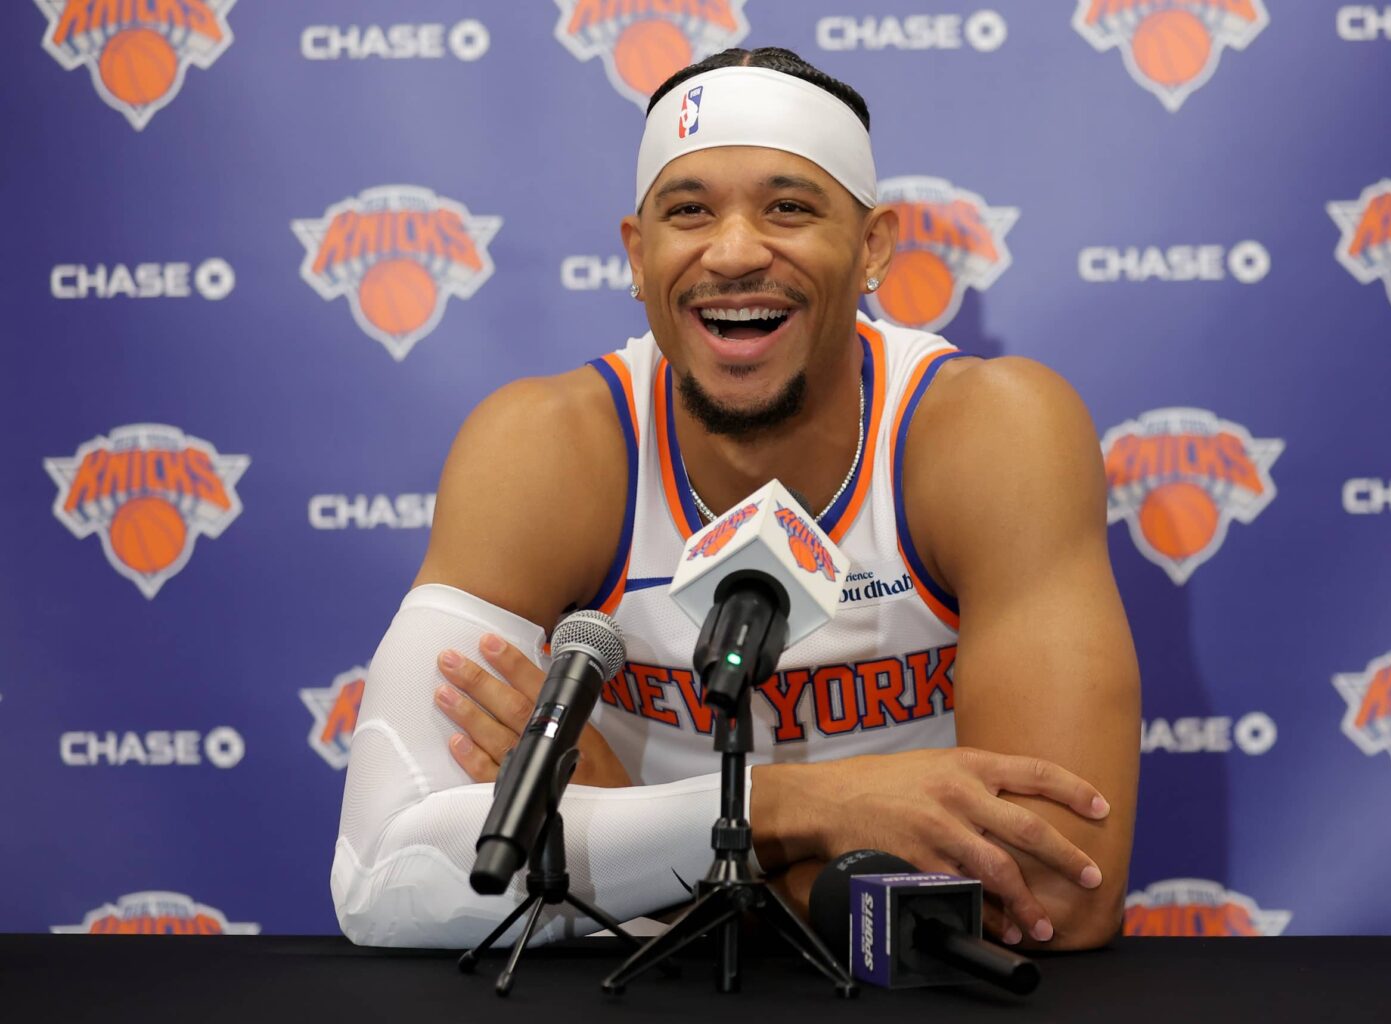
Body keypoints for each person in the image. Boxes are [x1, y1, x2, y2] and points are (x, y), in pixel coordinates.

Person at [332, 47, 1140, 953]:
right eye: (688, 212)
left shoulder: (991, 433)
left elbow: (1055, 894)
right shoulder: (544, 451)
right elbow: (384, 880)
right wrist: (793, 808)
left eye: (789, 207)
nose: (734, 251)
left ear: (873, 246)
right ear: (638, 255)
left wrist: (626, 827)